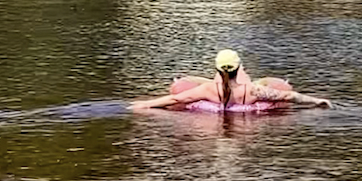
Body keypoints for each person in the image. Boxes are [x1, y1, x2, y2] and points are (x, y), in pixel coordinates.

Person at [129, 49, 332, 110]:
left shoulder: (208, 89)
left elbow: (175, 99)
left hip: (215, 101)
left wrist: (144, 105)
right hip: (247, 103)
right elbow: (290, 96)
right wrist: (318, 101)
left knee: (192, 83)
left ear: (217, 69)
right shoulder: (255, 90)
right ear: (239, 68)